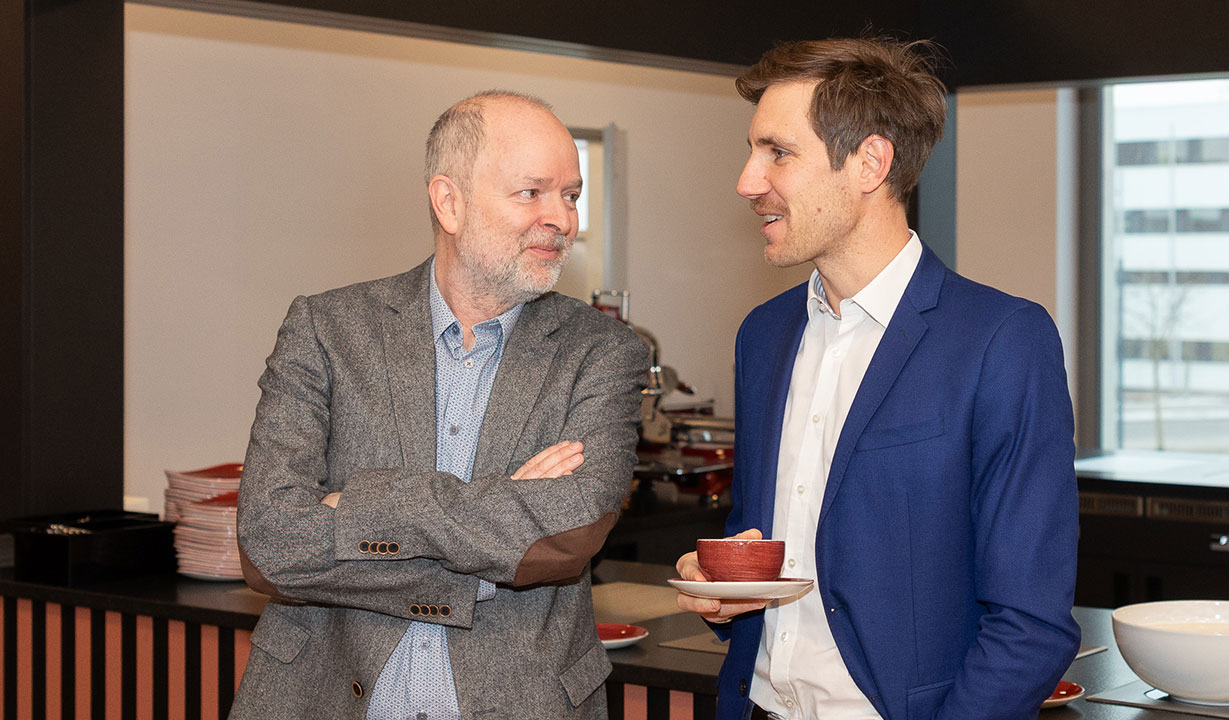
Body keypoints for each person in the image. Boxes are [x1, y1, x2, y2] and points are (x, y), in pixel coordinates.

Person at [674, 38, 1080, 720]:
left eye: (778, 152)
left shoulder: (1002, 340)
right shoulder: (764, 335)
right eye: (752, 151)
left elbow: (1030, 623)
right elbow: (760, 542)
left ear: (870, 162)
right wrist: (723, 584)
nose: (747, 181)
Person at [231, 90, 649, 720]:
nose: (562, 219)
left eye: (570, 195)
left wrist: (360, 506)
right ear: (449, 202)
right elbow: (269, 542)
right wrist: (494, 541)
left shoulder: (604, 350)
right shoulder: (326, 329)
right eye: (531, 192)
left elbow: (567, 536)